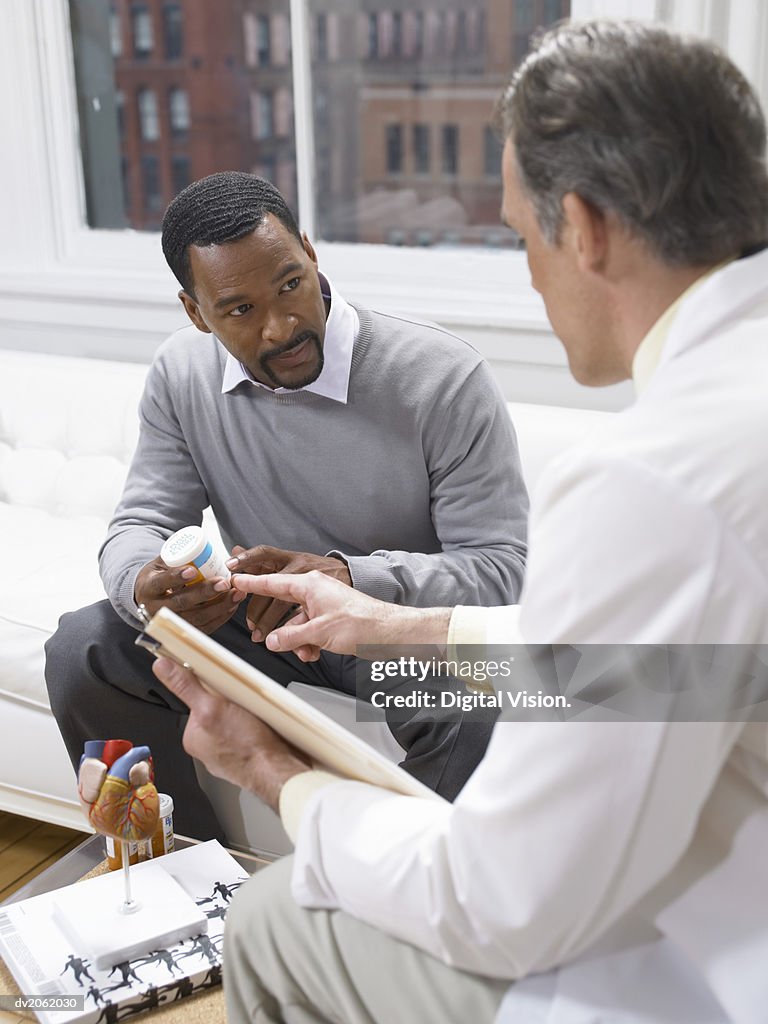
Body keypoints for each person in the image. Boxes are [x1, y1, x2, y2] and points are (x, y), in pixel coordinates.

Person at [153, 19, 768, 1023]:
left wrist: (276, 773)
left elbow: (496, 903)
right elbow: (680, 669)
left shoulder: (657, 479)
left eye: (523, 235)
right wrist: (397, 628)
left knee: (274, 911)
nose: (532, 272)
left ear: (585, 227)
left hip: (718, 971)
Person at [44, 172, 529, 839]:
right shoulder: (182, 374)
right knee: (86, 649)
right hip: (258, 624)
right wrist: (145, 585)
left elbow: (499, 572)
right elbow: (141, 522)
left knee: (478, 702)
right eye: (239, 310)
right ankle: (181, 870)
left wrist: (350, 580)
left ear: (309, 251)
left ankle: (399, 895)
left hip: (390, 631)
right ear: (195, 313)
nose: (281, 326)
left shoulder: (442, 378)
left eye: (290, 285)